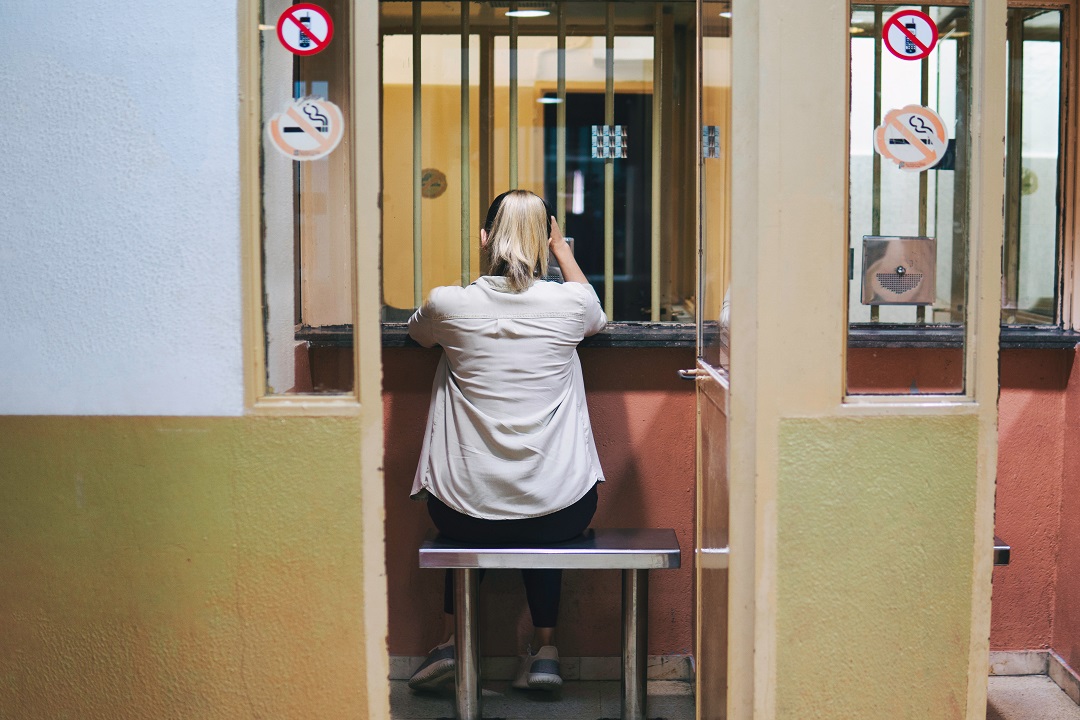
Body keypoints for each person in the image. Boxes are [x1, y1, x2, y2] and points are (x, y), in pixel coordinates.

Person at [406, 189, 606, 692]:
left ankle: (454, 642)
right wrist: (563, 254)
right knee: (541, 508)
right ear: (546, 240)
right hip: (564, 508)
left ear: (482, 239)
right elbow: (596, 317)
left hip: (460, 508)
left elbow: (417, 334)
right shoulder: (569, 304)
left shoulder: (447, 303)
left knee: (481, 508)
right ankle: (546, 653)